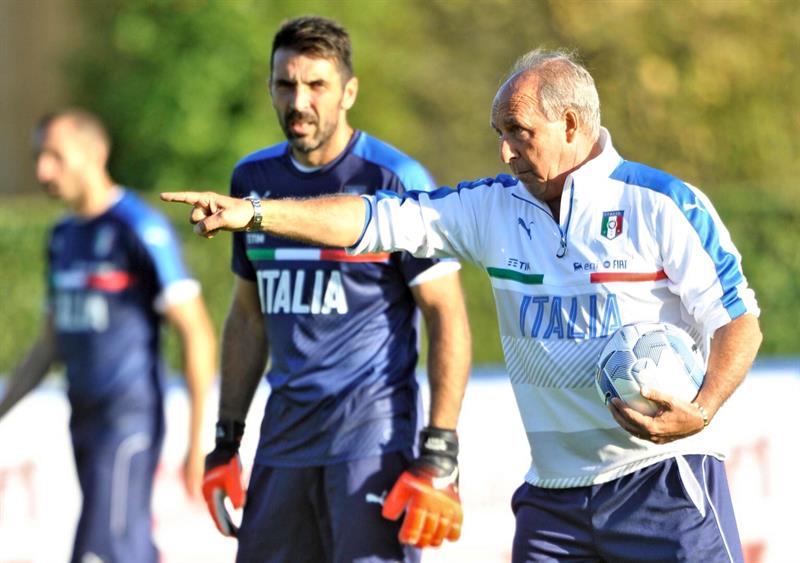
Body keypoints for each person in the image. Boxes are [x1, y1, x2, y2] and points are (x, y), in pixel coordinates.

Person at [164, 47, 764, 562]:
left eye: (518, 131)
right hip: (553, 499)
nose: (504, 152)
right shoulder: (494, 207)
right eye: (498, 134)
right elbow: (376, 218)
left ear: (573, 125)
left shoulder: (661, 204)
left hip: (662, 484)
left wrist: (703, 408)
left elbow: (739, 321)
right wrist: (258, 213)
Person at [194, 16, 471, 563]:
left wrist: (440, 448)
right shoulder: (250, 181)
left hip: (370, 442)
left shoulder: (394, 179)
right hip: (282, 443)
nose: (299, 101)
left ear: (349, 91)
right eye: (285, 84)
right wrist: (226, 442)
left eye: (316, 85)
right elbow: (247, 318)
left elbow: (446, 313)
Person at [0, 108, 216, 563]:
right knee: (128, 548)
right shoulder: (62, 236)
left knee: (99, 553)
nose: (43, 170)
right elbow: (49, 345)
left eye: (55, 156)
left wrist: (201, 441)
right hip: (84, 420)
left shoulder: (137, 227)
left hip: (129, 421)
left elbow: (196, 331)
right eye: (40, 156)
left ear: (95, 153)